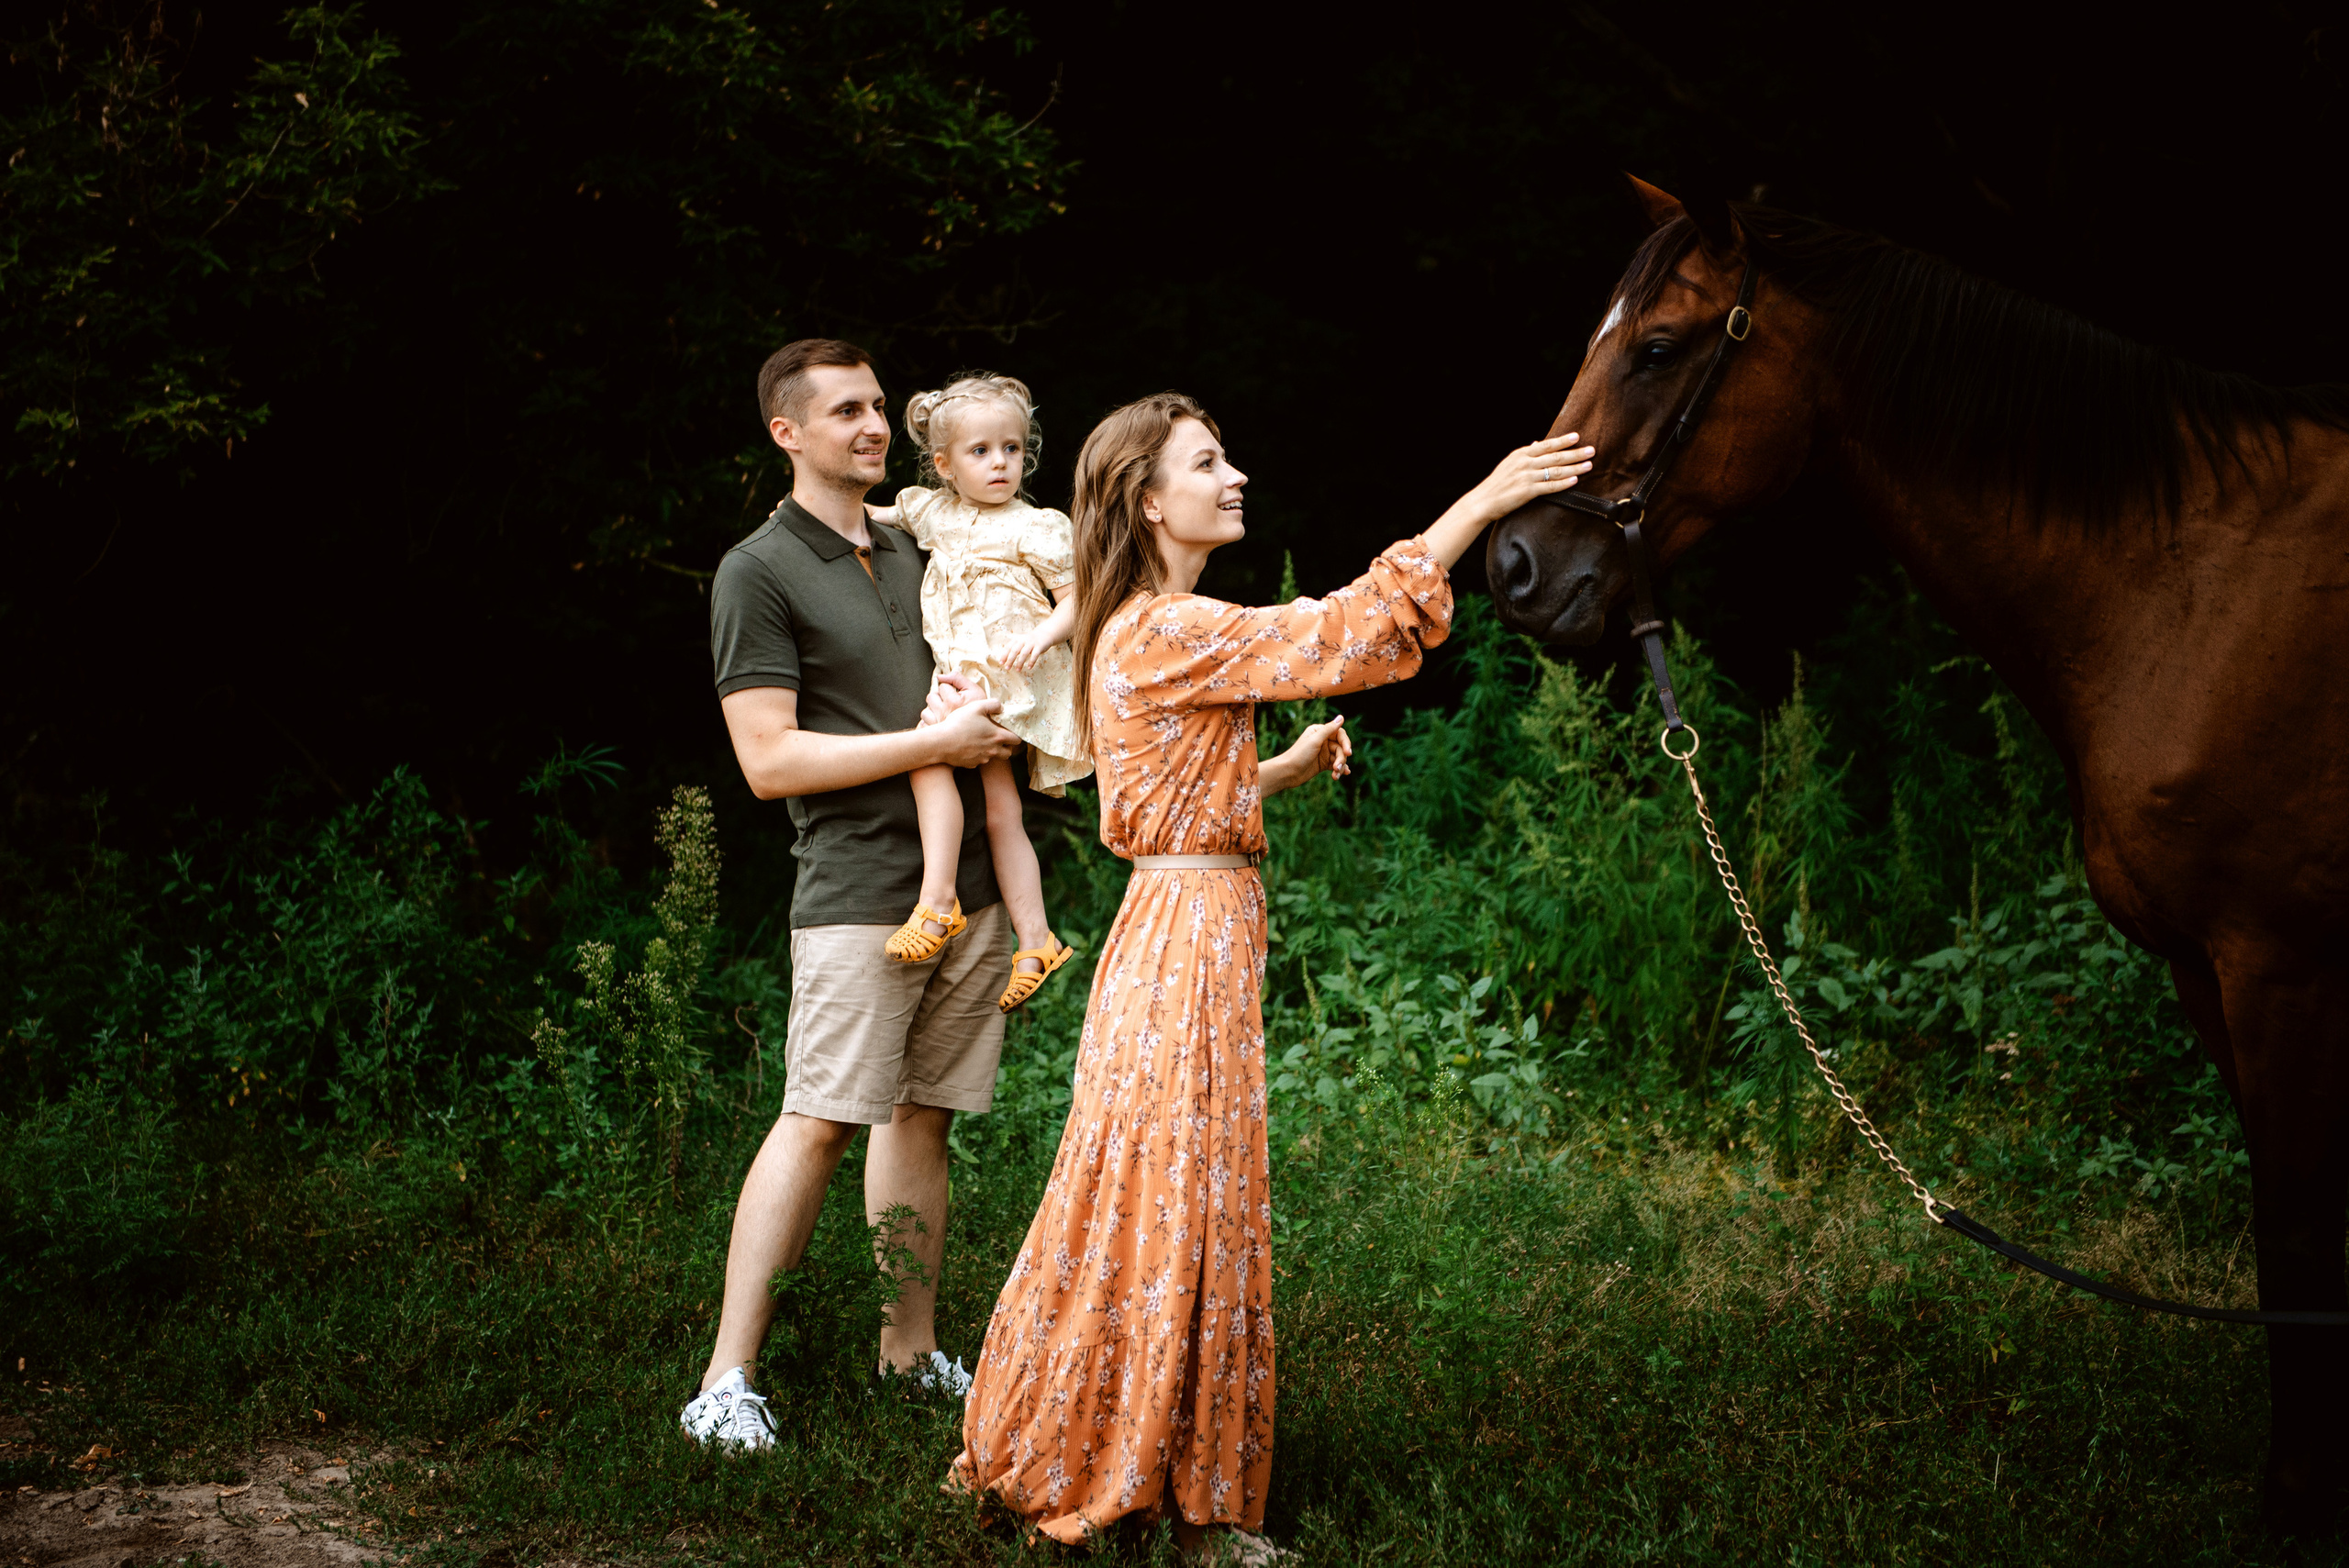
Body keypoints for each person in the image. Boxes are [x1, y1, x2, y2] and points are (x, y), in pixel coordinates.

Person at [945, 391, 1594, 1558]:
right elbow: (1344, 627)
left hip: (1187, 917)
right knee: (1177, 1201)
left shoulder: (1155, 626)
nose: (1234, 474)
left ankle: (1171, 1479)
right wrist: (1492, 497)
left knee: (1177, 1195)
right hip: (1185, 938)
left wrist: (1279, 769)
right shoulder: (1159, 626)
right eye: (1208, 462)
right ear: (1151, 501)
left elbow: (1166, 805)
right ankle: (1161, 1491)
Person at [680, 339, 1025, 1452]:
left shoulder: (922, 538)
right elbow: (769, 761)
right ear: (787, 432)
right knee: (820, 1118)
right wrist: (929, 740)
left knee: (923, 1117)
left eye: (878, 406)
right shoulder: (757, 569)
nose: (874, 426)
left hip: (970, 882)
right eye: (845, 412)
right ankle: (724, 1380)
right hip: (857, 891)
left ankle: (908, 1352)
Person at [864, 372, 1085, 1012]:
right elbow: (872, 514)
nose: (1000, 464)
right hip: (964, 678)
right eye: (981, 452)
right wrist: (799, 518)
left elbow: (1076, 600)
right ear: (945, 464)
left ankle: (938, 904)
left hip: (1013, 680)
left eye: (1012, 449)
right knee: (1000, 810)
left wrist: (1043, 636)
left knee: (926, 754)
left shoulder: (1037, 526)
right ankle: (1037, 938)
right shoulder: (933, 511)